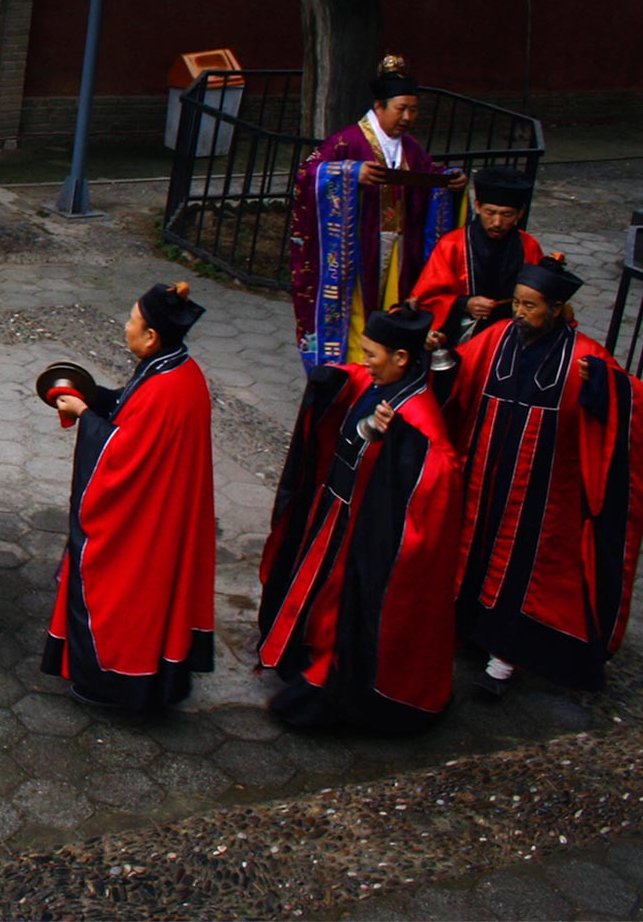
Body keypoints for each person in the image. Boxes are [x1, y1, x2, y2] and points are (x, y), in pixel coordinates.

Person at [432, 257, 643, 694]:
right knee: (471, 555)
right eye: (519, 304)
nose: (521, 314)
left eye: (531, 306)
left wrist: (602, 385)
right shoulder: (494, 339)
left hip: (540, 493)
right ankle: (466, 633)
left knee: (519, 574)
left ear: (557, 309)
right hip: (482, 478)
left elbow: (627, 409)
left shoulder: (585, 357)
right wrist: (437, 353)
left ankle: (502, 663)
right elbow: (458, 377)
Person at [257, 305, 462, 732]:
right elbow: (353, 379)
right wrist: (334, 377)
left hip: (364, 534)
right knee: (317, 597)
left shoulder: (417, 411)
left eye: (372, 354)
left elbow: (442, 472)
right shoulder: (379, 381)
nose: (364, 362)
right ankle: (306, 652)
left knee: (341, 610)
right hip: (336, 511)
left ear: (401, 358)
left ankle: (331, 682)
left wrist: (401, 440)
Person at [44, 282, 215, 710]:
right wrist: (93, 397)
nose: (125, 327)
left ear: (152, 336)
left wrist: (84, 416)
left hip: (144, 521)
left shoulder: (165, 388)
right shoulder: (177, 370)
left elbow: (121, 455)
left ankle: (114, 681)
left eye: (132, 321)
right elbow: (127, 410)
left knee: (121, 596)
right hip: (165, 509)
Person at [288, 55, 467, 371]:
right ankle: (355, 370)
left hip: (400, 246)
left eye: (413, 110)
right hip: (356, 249)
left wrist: (449, 180)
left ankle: (389, 368)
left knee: (393, 307)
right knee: (358, 308)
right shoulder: (347, 141)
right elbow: (308, 172)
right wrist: (350, 173)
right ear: (380, 106)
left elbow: (428, 174)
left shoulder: (410, 148)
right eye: (401, 109)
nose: (408, 117)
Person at [410, 167, 544, 343]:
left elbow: (541, 297)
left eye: (507, 214)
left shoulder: (529, 245)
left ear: (520, 213)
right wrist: (465, 303)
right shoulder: (452, 245)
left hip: (513, 334)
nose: (497, 222)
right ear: (478, 206)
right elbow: (426, 298)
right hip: (462, 335)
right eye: (490, 212)